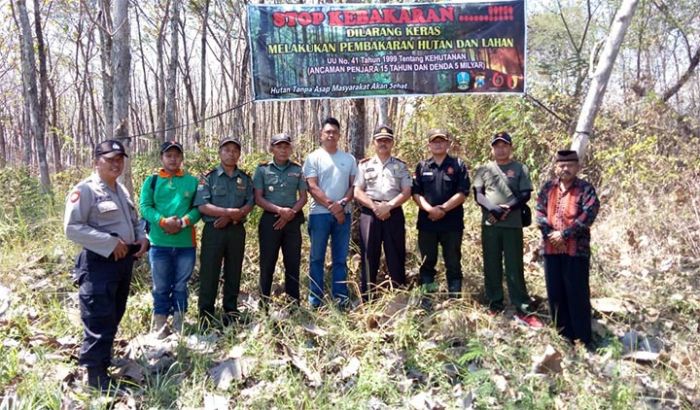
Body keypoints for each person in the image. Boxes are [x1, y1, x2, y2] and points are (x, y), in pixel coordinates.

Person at [64, 139, 149, 392]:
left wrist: (142, 237)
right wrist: (109, 242)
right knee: (98, 318)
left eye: (120, 159)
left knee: (114, 314)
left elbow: (134, 221)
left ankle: (104, 359)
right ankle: (95, 377)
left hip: (122, 264)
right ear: (96, 161)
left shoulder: (120, 191)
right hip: (98, 264)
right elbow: (72, 228)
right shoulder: (86, 190)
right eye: (110, 159)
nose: (116, 164)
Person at [473, 132, 542, 327]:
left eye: (504, 145)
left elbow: (525, 194)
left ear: (510, 148)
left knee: (514, 266)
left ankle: (523, 308)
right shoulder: (483, 169)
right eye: (497, 146)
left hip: (512, 224)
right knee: (491, 264)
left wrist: (508, 208)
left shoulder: (520, 168)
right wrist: (493, 209)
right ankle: (495, 304)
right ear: (492, 148)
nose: (500, 149)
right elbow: (478, 195)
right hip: (490, 224)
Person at [535, 150, 600, 345]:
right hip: (551, 249)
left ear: (577, 167)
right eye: (562, 165)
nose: (565, 169)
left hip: (576, 250)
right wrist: (550, 234)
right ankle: (562, 337)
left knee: (577, 293)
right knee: (555, 293)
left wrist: (564, 234)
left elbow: (589, 214)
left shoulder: (586, 189)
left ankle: (582, 339)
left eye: (570, 165)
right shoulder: (548, 188)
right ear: (556, 167)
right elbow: (539, 212)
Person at [139, 141, 201, 337]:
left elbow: (199, 209)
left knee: (181, 285)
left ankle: (179, 324)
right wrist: (163, 221)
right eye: (168, 155)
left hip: (185, 244)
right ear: (161, 158)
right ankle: (160, 325)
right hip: (159, 243)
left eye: (176, 155)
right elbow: (145, 206)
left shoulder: (192, 181)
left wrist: (183, 222)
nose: (173, 159)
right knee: (160, 286)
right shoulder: (152, 181)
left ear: (182, 158)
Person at [193, 137, 254, 326]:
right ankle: (206, 317)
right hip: (214, 231)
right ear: (220, 153)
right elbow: (202, 205)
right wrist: (227, 213)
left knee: (233, 272)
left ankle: (231, 314)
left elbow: (250, 202)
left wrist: (233, 216)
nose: (231, 153)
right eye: (227, 150)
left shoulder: (244, 178)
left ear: (239, 154)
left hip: (236, 231)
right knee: (209, 273)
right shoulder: (208, 177)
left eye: (235, 150)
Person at [302, 117, 358, 308]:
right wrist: (332, 206)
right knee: (316, 257)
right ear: (321, 134)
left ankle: (340, 296)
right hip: (319, 215)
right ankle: (315, 299)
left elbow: (353, 186)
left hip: (344, 214)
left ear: (339, 135)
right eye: (328, 132)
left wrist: (341, 204)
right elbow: (312, 186)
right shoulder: (313, 158)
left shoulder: (349, 159)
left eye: (334, 132)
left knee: (340, 258)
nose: (331, 135)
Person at [353, 125, 411, 299]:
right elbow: (357, 191)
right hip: (370, 214)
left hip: (393, 212)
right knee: (369, 255)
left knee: (396, 254)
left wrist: (389, 206)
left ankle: (399, 297)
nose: (383, 143)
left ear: (392, 143)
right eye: (380, 140)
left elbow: (407, 191)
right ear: (374, 142)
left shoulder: (400, 166)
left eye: (387, 140)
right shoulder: (364, 165)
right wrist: (375, 206)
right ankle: (368, 298)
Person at [412, 129, 470, 302]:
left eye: (441, 141)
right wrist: (430, 210)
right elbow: (416, 193)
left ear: (447, 144)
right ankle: (428, 299)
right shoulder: (422, 166)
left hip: (451, 224)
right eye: (434, 141)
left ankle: (454, 300)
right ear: (429, 144)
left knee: (453, 262)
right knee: (427, 263)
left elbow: (463, 192)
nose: (438, 144)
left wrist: (443, 209)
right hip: (427, 223)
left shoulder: (458, 165)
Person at [253, 133, 307, 304]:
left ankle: (293, 303)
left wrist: (290, 212)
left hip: (293, 220)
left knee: (292, 263)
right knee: (267, 263)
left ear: (290, 149)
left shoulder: (298, 170)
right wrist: (280, 210)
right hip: (270, 220)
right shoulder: (262, 170)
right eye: (279, 146)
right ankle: (263, 303)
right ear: (272, 149)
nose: (283, 150)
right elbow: (258, 198)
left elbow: (303, 197)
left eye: (286, 146)